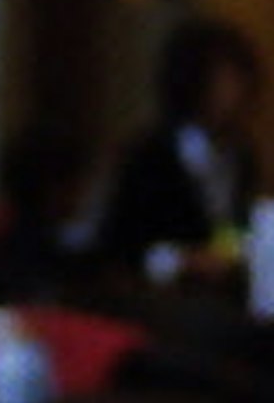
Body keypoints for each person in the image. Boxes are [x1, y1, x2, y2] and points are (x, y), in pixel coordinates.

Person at [90, 14, 263, 279]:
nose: (236, 92)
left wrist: (230, 254)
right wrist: (182, 260)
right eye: (224, 80)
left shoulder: (240, 156)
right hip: (156, 301)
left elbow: (230, 226)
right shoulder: (149, 155)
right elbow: (119, 244)